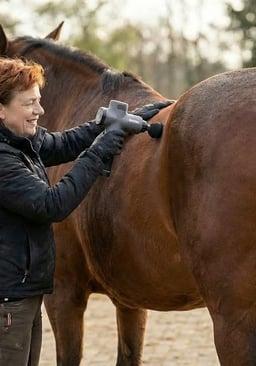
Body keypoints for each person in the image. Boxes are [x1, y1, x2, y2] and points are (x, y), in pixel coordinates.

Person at [0, 57, 172, 366]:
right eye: (29, 104)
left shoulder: (21, 140)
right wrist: (103, 148)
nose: (40, 111)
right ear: (1, 110)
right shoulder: (3, 160)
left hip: (22, 294)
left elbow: (64, 143)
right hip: (7, 303)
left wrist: (110, 124)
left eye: (39, 101)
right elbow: (53, 204)